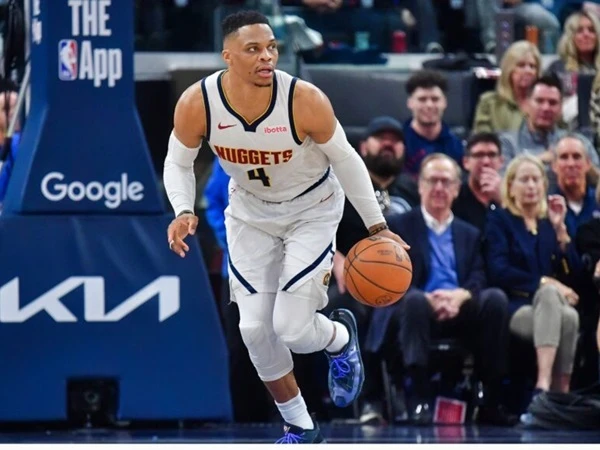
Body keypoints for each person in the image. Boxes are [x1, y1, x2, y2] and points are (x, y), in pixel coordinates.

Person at [162, 10, 407, 443]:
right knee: (254, 330)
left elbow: (347, 160)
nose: (267, 56)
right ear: (227, 56)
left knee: (291, 329)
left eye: (272, 47)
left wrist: (377, 226)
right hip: (250, 213)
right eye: (253, 49)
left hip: (311, 209)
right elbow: (178, 162)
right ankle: (300, 426)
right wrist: (183, 209)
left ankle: (338, 337)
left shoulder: (303, 99)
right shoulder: (198, 102)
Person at [365, 153, 513, 425]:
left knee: (495, 299)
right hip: (415, 306)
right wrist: (427, 298)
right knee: (415, 302)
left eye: (446, 182)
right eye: (432, 181)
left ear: (457, 189)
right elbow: (391, 276)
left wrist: (460, 296)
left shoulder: (469, 232)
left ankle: (489, 396)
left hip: (459, 308)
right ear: (420, 186)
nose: (439, 188)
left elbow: (478, 275)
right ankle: (419, 396)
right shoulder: (398, 227)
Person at [484, 155, 580, 398]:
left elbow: (573, 275)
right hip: (516, 305)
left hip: (552, 307)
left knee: (569, 316)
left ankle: (561, 394)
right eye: (524, 180)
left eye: (536, 180)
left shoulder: (548, 224)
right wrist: (545, 283)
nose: (531, 186)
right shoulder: (499, 220)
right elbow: (498, 270)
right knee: (549, 294)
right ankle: (544, 387)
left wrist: (561, 232)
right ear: (510, 187)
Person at [453, 132, 504, 232]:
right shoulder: (454, 197)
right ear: (466, 162)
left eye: (492, 155)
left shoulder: (513, 198)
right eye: (479, 155)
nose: (486, 161)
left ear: (501, 161)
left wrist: (502, 200)